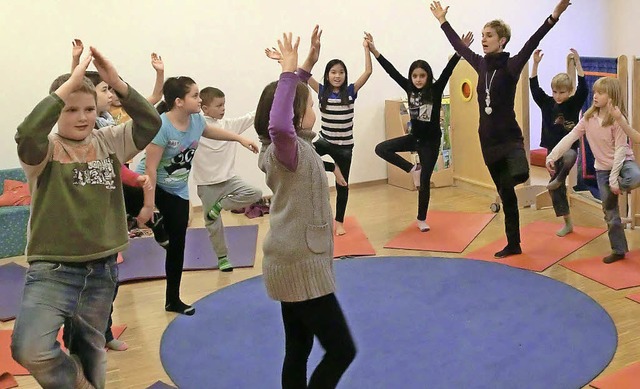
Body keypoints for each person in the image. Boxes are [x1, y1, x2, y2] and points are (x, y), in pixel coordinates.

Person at [11, 47, 162, 389]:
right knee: (29, 348)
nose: (82, 117)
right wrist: (69, 84)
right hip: (52, 269)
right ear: (56, 112)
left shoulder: (109, 141)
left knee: (91, 349)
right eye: (71, 109)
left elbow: (151, 122)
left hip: (101, 267)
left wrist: (116, 83)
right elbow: (26, 134)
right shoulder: (44, 150)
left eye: (90, 109)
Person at [430, 0, 572, 258]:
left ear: (502, 40)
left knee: (518, 172)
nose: (483, 39)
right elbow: (459, 46)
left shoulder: (511, 65)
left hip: (510, 140)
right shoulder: (480, 64)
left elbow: (532, 41)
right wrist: (442, 21)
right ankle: (514, 244)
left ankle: (523, 186)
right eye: (483, 35)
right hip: (488, 142)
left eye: (489, 35)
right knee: (507, 197)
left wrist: (555, 15)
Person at [256, 27, 356, 388]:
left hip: (291, 259)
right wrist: (287, 73)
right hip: (300, 263)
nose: (315, 107)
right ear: (297, 116)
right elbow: (280, 122)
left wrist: (307, 63)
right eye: (310, 105)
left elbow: (283, 121)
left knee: (297, 347)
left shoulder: (294, 147)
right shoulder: (287, 151)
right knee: (342, 350)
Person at [135, 76, 259, 315]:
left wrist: (240, 138)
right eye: (195, 95)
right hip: (150, 183)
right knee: (129, 191)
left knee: (178, 246)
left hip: (177, 190)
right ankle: (156, 225)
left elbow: (211, 131)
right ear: (179, 102)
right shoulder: (162, 126)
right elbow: (150, 170)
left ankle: (172, 300)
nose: (200, 99)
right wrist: (149, 207)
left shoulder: (196, 120)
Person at [367, 31, 473, 232]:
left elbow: (449, 69)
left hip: (431, 142)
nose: (417, 79)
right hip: (414, 138)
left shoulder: (436, 89)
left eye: (422, 76)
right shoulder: (408, 88)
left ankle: (421, 218)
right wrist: (374, 50)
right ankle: (411, 169)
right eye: (414, 76)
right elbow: (391, 70)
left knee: (424, 182)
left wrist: (461, 49)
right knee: (381, 149)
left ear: (428, 76)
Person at [266, 36, 372, 235]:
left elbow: (368, 72)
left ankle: (339, 222)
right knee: (303, 160)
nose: (337, 76)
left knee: (343, 185)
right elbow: (301, 75)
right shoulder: (321, 91)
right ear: (327, 75)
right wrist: (284, 60)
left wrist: (367, 49)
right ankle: (332, 169)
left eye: (341, 72)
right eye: (333, 72)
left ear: (345, 75)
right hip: (324, 140)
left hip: (344, 146)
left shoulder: (350, 92)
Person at [547, 77, 640, 264]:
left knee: (636, 176)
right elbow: (571, 136)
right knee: (610, 213)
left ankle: (618, 185)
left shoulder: (617, 119)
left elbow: (622, 149)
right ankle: (619, 250)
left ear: (611, 96)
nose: (595, 96)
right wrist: (553, 156)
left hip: (622, 164)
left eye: (600, 93)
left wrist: (615, 181)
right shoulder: (588, 118)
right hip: (602, 171)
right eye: (595, 92)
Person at [193, 87, 262, 272]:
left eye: (224, 104)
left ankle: (221, 206)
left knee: (255, 193)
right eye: (219, 105)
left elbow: (252, 116)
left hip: (229, 180)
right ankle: (222, 257)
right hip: (206, 184)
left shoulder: (229, 125)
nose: (223, 109)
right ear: (205, 109)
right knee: (213, 224)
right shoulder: (196, 127)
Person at [530, 48, 587, 237]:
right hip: (551, 151)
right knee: (557, 190)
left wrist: (578, 65)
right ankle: (568, 222)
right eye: (555, 92)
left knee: (570, 156)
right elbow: (534, 88)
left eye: (562, 92)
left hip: (569, 148)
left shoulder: (573, 103)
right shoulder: (547, 104)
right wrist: (535, 64)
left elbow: (584, 88)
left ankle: (559, 178)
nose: (558, 96)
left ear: (569, 91)